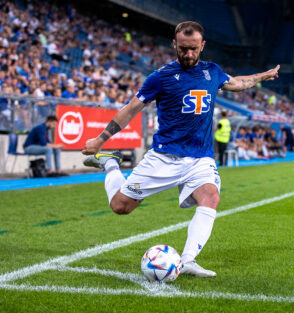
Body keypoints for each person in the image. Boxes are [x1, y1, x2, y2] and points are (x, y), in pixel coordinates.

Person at [81, 21, 280, 277]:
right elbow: (131, 108)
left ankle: (187, 261)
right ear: (174, 45)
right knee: (121, 206)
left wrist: (263, 76)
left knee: (210, 197)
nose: (188, 54)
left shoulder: (213, 72)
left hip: (200, 159)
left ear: (202, 46)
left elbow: (238, 83)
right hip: (164, 157)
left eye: (193, 49)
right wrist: (101, 139)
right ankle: (110, 164)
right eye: (183, 48)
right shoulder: (160, 77)